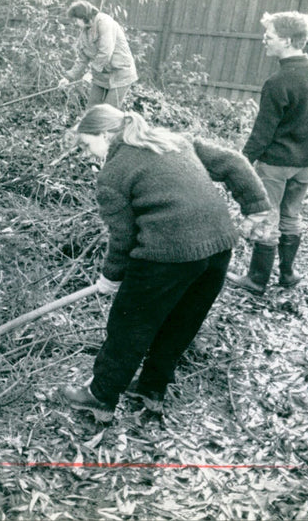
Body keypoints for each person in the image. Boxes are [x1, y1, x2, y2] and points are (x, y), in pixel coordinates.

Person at [61, 104, 271, 422]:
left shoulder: (113, 175)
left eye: (87, 144)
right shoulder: (174, 141)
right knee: (179, 323)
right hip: (217, 249)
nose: (88, 153)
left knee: (129, 326)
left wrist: (111, 277)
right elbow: (233, 161)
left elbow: (123, 238)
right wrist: (255, 206)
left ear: (105, 135)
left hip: (167, 254)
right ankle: (152, 390)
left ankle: (100, 397)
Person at [228, 11, 308, 295]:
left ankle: (256, 279)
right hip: (306, 163)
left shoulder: (278, 82)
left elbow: (262, 134)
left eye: (270, 36)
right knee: (291, 216)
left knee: (268, 218)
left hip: (276, 164)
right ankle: (288, 274)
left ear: (288, 41)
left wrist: (241, 163)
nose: (264, 39)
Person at [58, 0, 138, 109]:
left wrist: (92, 72)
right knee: (92, 110)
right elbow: (82, 58)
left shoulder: (104, 22)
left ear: (83, 17)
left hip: (120, 73)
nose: (75, 22)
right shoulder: (85, 32)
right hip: (102, 75)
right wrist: (68, 77)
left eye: (76, 19)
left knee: (108, 112)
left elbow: (106, 51)